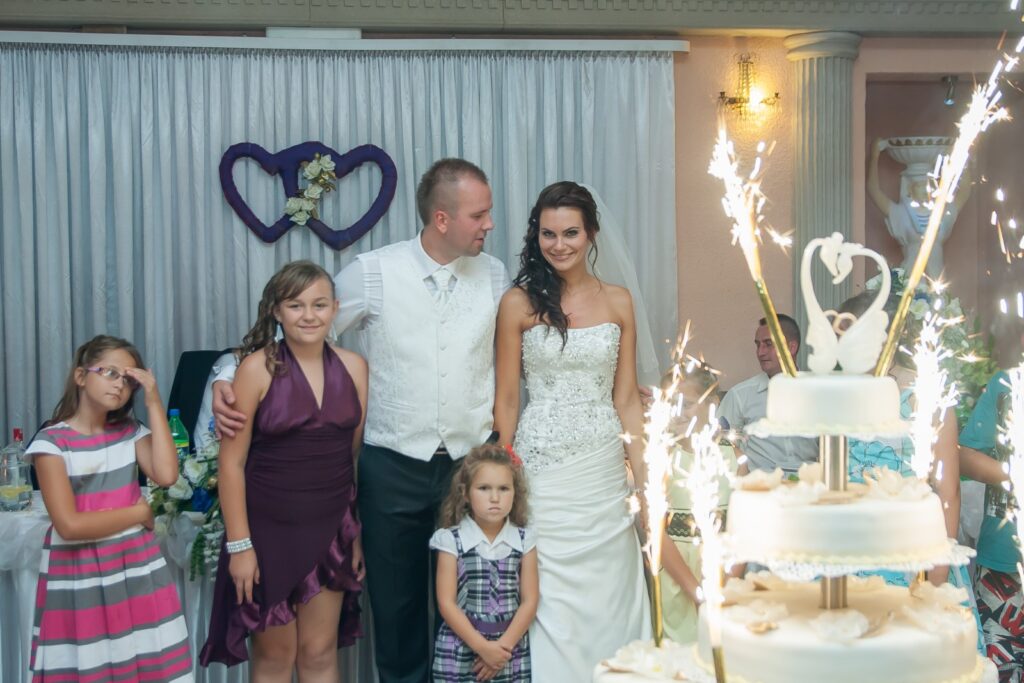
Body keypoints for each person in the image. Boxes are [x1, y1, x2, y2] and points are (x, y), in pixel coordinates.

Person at [212, 159, 509, 683]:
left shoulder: (496, 275)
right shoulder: (373, 272)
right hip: (392, 466)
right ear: (442, 219)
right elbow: (300, 329)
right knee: (395, 609)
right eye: (479, 214)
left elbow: (519, 352)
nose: (489, 224)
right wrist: (225, 373)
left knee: (473, 598)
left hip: (470, 467)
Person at [493, 181, 651, 679]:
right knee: (549, 596)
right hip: (541, 469)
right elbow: (508, 400)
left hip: (602, 469)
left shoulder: (620, 302)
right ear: (535, 235)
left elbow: (626, 399)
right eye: (548, 234)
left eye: (570, 233)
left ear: (591, 234)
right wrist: (500, 475)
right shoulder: (517, 303)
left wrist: (646, 479)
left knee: (610, 591)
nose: (558, 245)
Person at [199, 261, 368, 681]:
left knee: (319, 652)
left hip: (331, 527)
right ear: (277, 311)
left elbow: (350, 456)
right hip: (266, 531)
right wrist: (241, 546)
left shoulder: (355, 367)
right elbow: (231, 463)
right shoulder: (256, 368)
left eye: (319, 304)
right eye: (296, 305)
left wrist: (354, 535)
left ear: (335, 308)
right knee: (276, 655)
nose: (309, 315)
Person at [26, 335, 192, 682]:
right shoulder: (52, 443)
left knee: (147, 660)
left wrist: (154, 400)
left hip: (136, 566)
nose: (119, 385)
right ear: (81, 376)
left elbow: (166, 474)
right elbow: (69, 526)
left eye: (128, 381)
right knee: (92, 663)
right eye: (110, 373)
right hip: (80, 572)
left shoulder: (130, 432)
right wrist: (138, 513)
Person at [431, 444, 538, 682]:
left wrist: (501, 650)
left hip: (509, 652)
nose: (494, 498)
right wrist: (483, 648)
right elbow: (446, 603)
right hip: (461, 648)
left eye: (503, 488)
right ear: (465, 493)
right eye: (484, 488)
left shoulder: (524, 541)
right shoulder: (450, 540)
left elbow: (530, 601)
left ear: (515, 493)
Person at [959, 327, 1024, 682]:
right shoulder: (1006, 385)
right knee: (1001, 672)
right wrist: (1013, 475)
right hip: (1003, 565)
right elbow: (965, 455)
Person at [659, 363, 736, 644]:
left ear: (712, 404)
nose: (678, 412)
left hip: (723, 575)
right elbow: (657, 534)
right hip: (678, 579)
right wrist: (697, 593)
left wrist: (728, 585)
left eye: (687, 404)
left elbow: (743, 530)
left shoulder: (734, 459)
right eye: (671, 404)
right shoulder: (662, 460)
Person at [719, 315, 818, 475]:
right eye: (758, 345)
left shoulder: (818, 391)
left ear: (791, 347)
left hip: (810, 483)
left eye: (768, 344)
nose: (760, 352)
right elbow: (721, 445)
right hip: (760, 484)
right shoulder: (740, 395)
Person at [867, 138, 972, 279]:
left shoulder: (942, 213)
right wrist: (875, 156)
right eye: (919, 185)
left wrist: (960, 155)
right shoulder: (901, 213)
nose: (925, 190)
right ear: (910, 190)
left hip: (936, 279)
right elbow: (873, 190)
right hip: (911, 280)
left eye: (928, 185)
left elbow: (965, 191)